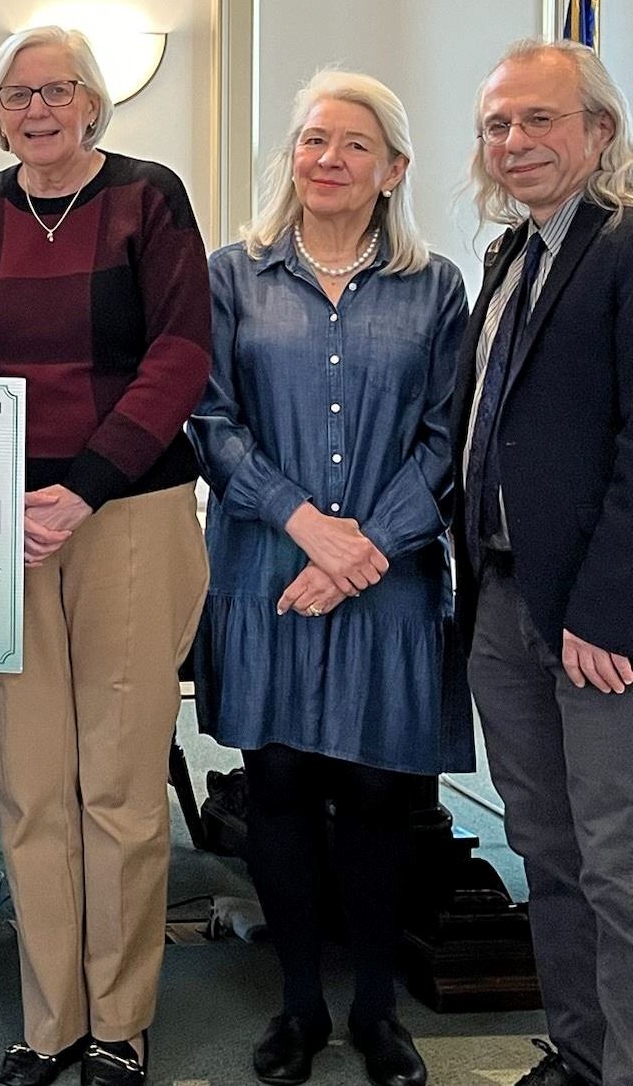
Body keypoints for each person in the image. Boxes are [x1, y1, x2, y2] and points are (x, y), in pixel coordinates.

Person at [0, 26, 210, 1086]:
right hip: (8, 520)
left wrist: (81, 485)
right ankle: (49, 1018)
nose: (35, 109)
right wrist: (4, 493)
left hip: (127, 510)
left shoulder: (147, 198)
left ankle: (118, 1023)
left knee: (119, 786)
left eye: (55, 89)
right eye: (14, 94)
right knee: (34, 781)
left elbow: (180, 353)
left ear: (90, 102)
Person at [189, 71, 468, 1086]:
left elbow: (445, 438)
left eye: (351, 145)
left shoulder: (434, 287)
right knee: (277, 790)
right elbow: (210, 423)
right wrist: (310, 529)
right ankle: (298, 1006)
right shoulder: (233, 275)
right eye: (310, 140)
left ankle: (374, 1011)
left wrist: (363, 549)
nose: (325, 159)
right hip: (265, 565)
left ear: (391, 168)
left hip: (388, 580)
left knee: (378, 798)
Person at [453, 39, 633, 1086]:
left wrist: (609, 611)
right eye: (494, 125)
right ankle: (576, 1050)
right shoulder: (509, 257)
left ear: (595, 131)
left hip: (593, 619)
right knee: (546, 850)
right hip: (503, 599)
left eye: (536, 120)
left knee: (616, 863)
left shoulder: (619, 250)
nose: (512, 142)